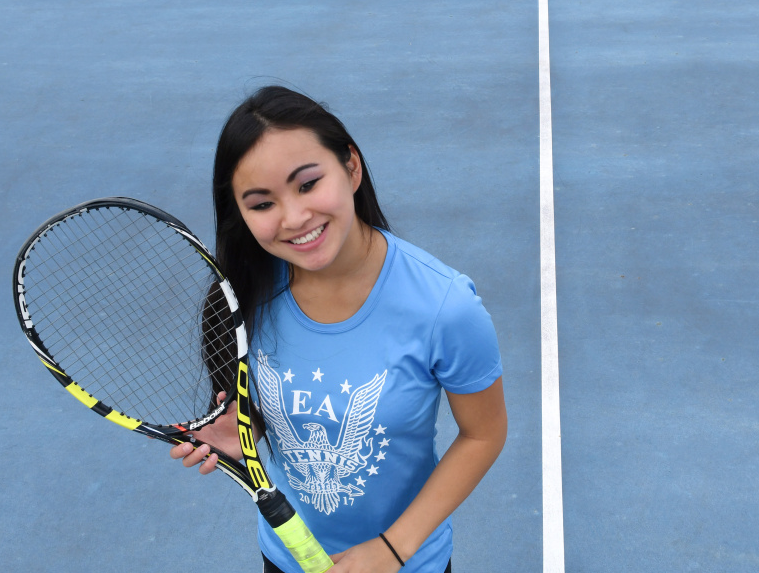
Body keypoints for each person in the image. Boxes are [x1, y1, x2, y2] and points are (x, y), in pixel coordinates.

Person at [170, 86, 507, 573]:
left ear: (351, 167)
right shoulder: (248, 293)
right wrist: (243, 427)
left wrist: (393, 549)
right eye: (262, 204)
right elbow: (275, 404)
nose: (294, 217)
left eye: (307, 184)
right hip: (287, 557)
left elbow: (484, 435)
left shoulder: (445, 306)